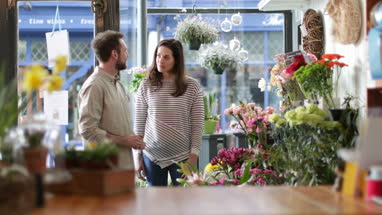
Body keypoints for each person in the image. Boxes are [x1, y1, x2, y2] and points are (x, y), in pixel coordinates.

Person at [134, 39, 204, 186]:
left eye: (166, 57)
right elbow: (139, 124)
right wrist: (137, 155)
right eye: (158, 55)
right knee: (155, 206)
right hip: (151, 155)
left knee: (185, 205)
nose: (160, 60)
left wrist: (193, 156)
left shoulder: (192, 86)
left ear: (176, 60)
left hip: (183, 156)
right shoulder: (146, 85)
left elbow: (197, 124)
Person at [78, 30, 145, 170]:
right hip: (105, 171)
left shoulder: (118, 84)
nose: (127, 56)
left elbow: (116, 126)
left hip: (123, 167)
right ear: (114, 54)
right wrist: (125, 141)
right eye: (125, 51)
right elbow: (87, 130)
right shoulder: (94, 86)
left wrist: (134, 140)